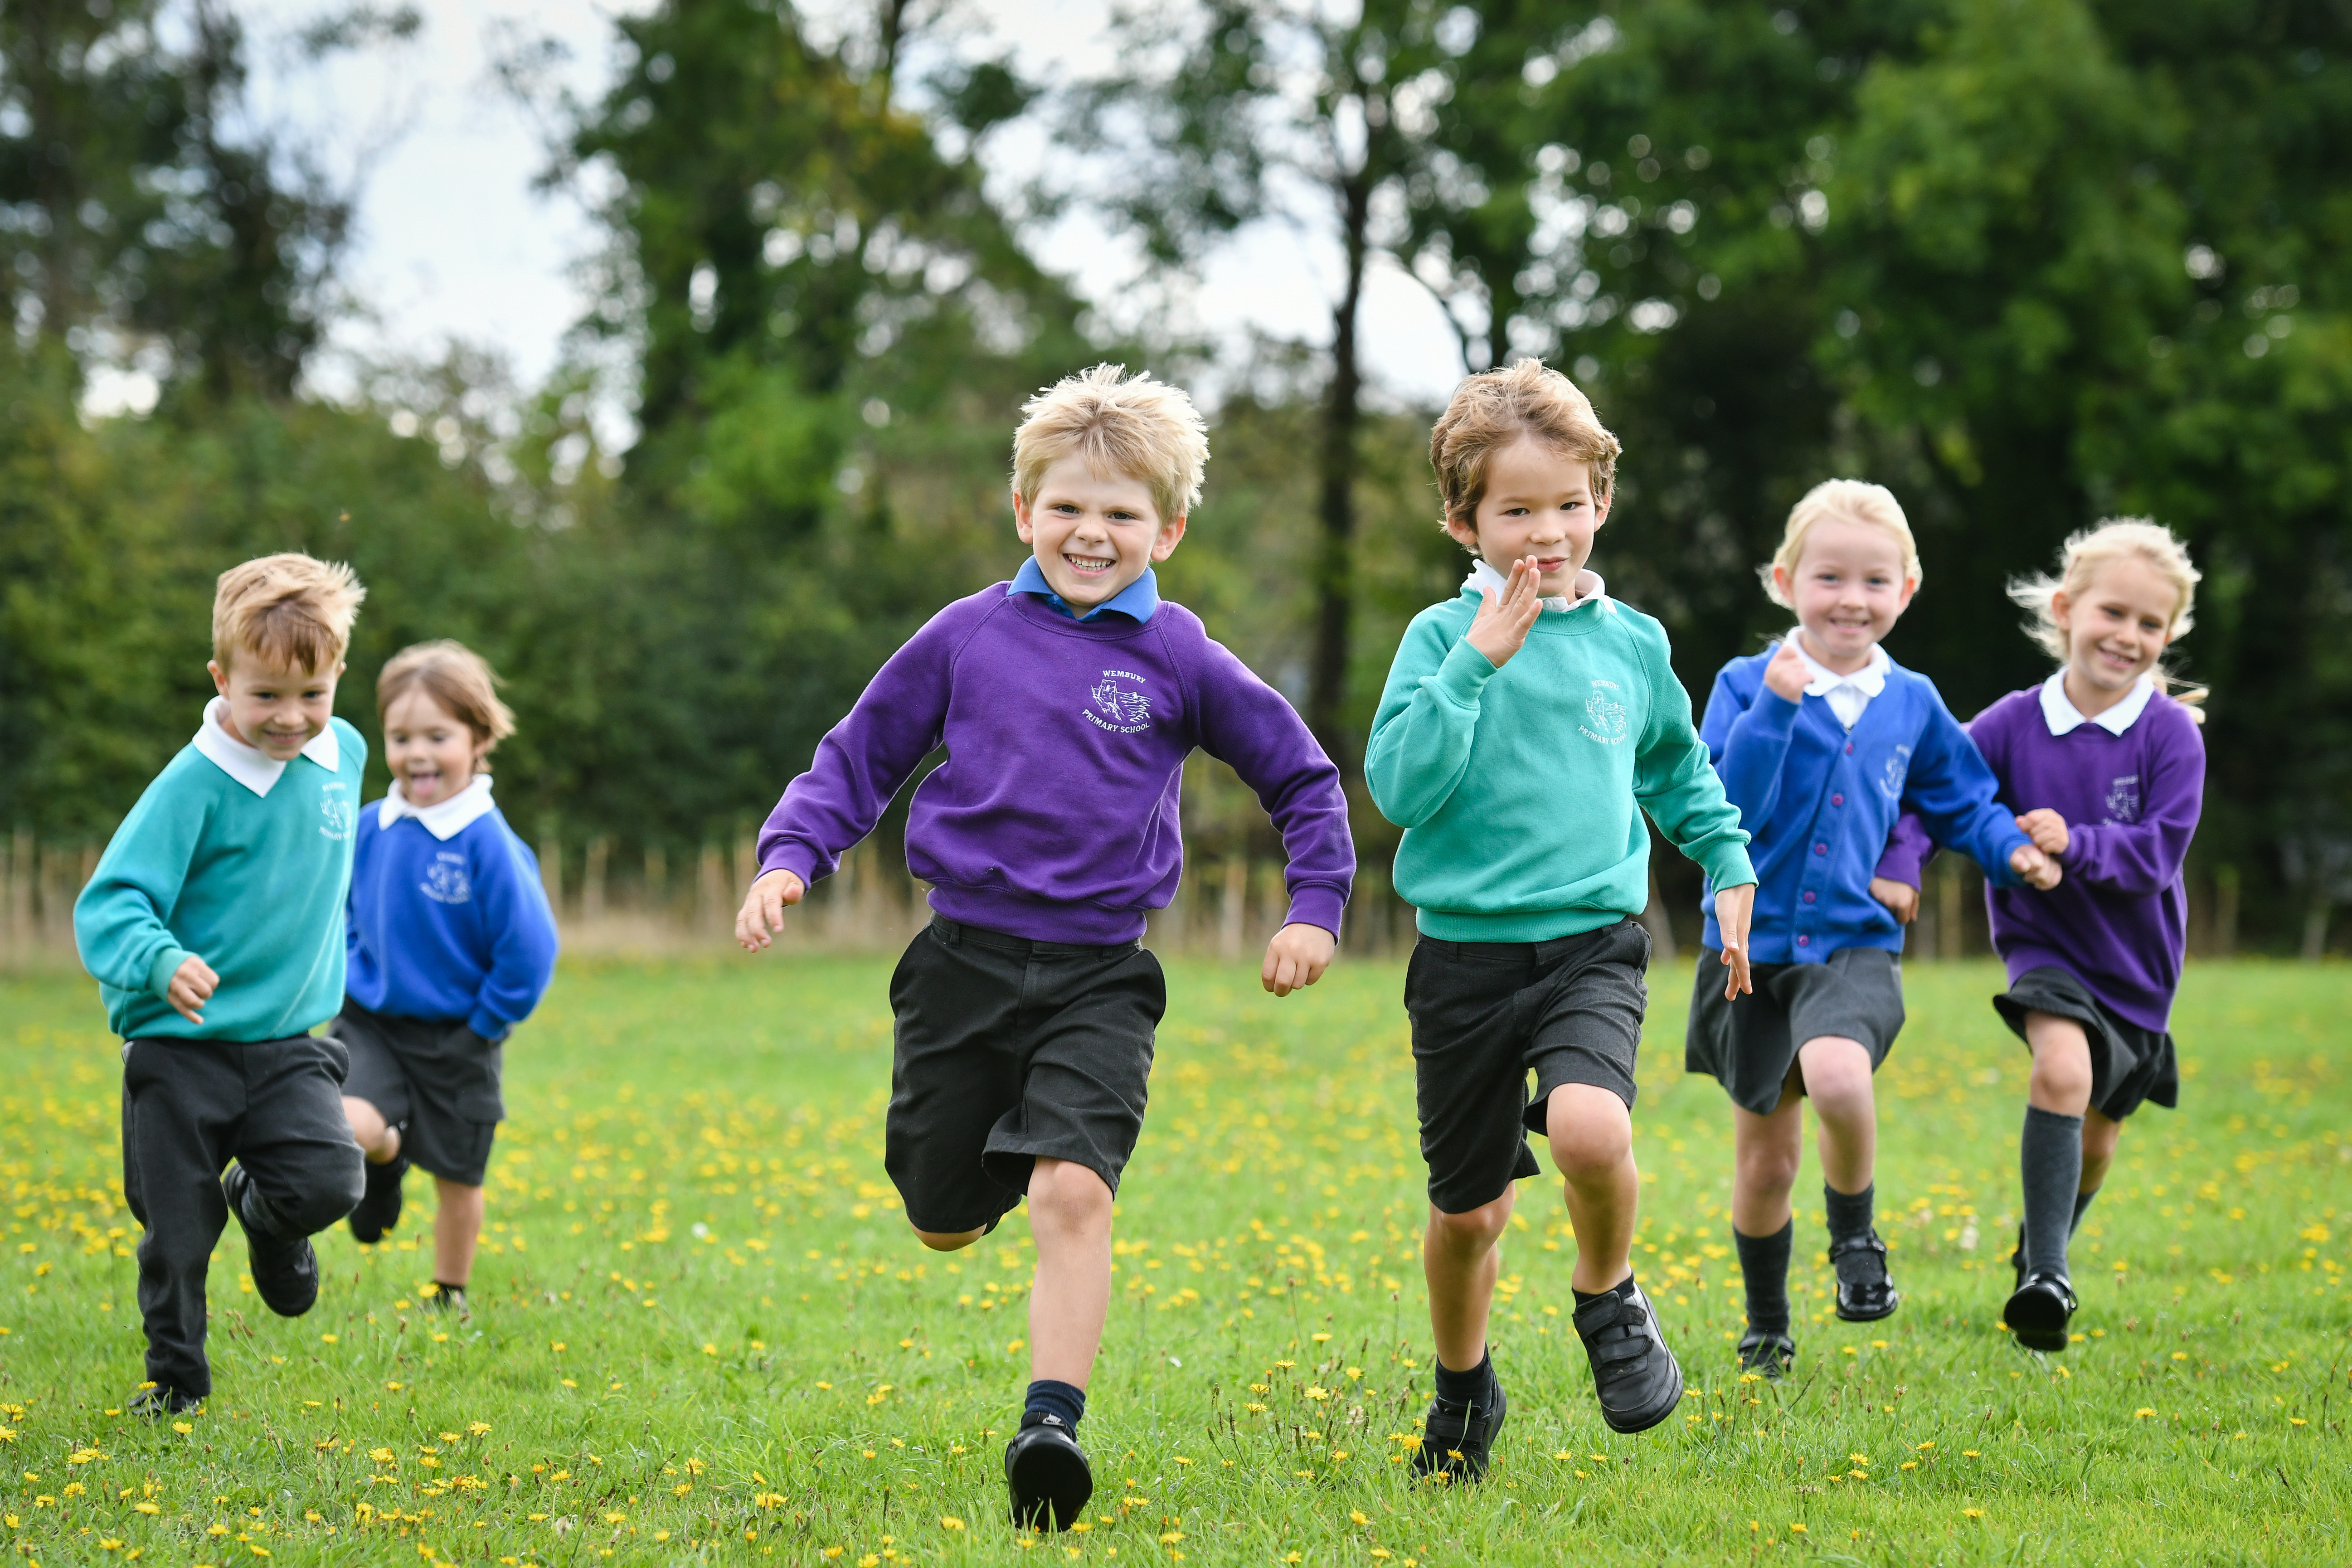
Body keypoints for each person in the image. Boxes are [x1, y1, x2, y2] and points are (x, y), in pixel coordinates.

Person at [734, 364, 1354, 1531]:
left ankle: (1050, 1425)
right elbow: (856, 757)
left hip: (1099, 977)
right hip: (959, 963)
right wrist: (789, 857)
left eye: (1122, 513)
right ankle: (988, 1170)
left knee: (1074, 1191)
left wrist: (1313, 904)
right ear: (1024, 510)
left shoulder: (1176, 652)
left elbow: (1300, 774)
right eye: (1068, 505)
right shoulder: (965, 635)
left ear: (1166, 528)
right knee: (938, 1214)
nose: (1091, 531)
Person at [1365, 359, 1759, 1477]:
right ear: (1463, 522)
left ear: (1600, 501)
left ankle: (1607, 1295)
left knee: (1591, 1128)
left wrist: (1727, 860)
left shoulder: (1631, 642)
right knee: (1469, 1218)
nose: (1548, 531)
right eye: (1517, 510)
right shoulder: (1439, 644)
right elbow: (1400, 789)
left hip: (1591, 941)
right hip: (1461, 962)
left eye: (1570, 505)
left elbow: (1677, 772)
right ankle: (1460, 1388)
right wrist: (1475, 667)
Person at [1686, 480, 2059, 1380]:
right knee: (1765, 1160)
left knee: (1839, 1071)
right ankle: (1766, 1325)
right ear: (1784, 579)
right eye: (1827, 576)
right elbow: (1721, 802)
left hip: (1852, 941)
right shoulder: (1745, 682)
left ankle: (1854, 1239)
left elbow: (1959, 795)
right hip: (1746, 945)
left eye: (1873, 579)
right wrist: (1775, 707)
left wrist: (2007, 847)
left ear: (1906, 588)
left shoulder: (1911, 700)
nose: (1850, 597)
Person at [1877, 520, 2204, 1352]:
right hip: (2044, 950)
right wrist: (1906, 864)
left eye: (2150, 624)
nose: (2128, 636)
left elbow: (2158, 853)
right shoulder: (2011, 724)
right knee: (2062, 1068)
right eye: (2113, 612)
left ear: (2169, 635)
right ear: (2066, 609)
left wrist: (2077, 842)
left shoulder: (2172, 736)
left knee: (2096, 1142)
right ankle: (2047, 1280)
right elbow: (1935, 797)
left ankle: (2042, 1239)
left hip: (2138, 971)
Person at [73, 554, 372, 1415]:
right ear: (222, 679)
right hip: (179, 1048)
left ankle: (266, 1215)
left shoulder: (343, 752)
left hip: (287, 1043)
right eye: (266, 696)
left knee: (329, 1183)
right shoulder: (191, 785)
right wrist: (160, 962)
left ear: (337, 675)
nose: (291, 718)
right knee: (176, 1232)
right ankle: (176, 1382)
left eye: (311, 694)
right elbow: (112, 901)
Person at [335, 641, 559, 1317]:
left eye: (438, 736)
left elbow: (529, 951)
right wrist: (352, 968)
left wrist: (485, 1024)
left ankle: (448, 1292)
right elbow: (341, 909)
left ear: (479, 738)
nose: (417, 754)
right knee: (345, 1123)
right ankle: (384, 1158)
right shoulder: (372, 825)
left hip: (462, 1032)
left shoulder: (485, 840)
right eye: (401, 738)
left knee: (460, 1175)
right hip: (371, 1021)